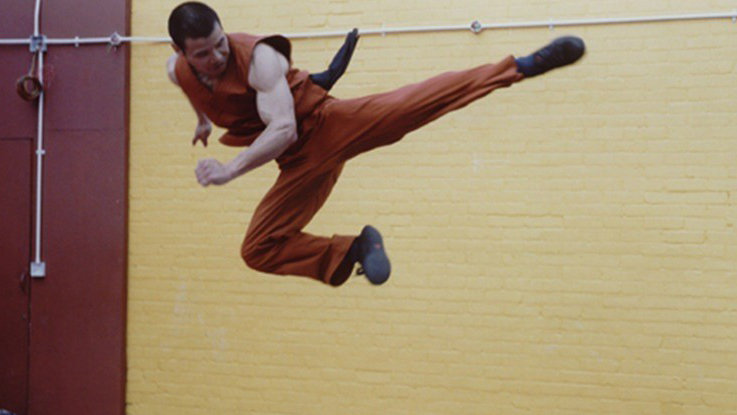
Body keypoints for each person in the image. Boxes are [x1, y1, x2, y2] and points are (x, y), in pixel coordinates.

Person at [166, 2, 585, 287]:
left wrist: (229, 169)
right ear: (181, 53)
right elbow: (195, 88)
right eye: (203, 54)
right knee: (256, 250)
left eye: (221, 44)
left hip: (324, 127)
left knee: (410, 105)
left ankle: (518, 68)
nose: (217, 58)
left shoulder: (260, 59)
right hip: (298, 167)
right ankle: (357, 248)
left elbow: (283, 131)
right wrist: (203, 120)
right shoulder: (178, 70)